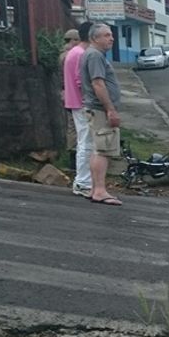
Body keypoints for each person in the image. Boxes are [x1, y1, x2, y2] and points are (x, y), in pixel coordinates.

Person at [80, 23, 123, 206]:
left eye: (111, 35)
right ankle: (99, 190)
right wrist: (110, 109)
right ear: (94, 38)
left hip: (96, 109)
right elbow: (98, 84)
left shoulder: (93, 54)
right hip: (99, 109)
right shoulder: (95, 55)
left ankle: (94, 189)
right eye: (106, 35)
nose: (111, 38)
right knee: (103, 150)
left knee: (98, 149)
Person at [63, 23, 93, 197]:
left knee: (84, 142)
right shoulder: (81, 54)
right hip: (82, 103)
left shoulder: (73, 53)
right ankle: (83, 182)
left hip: (75, 102)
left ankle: (84, 180)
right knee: (86, 143)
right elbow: (81, 81)